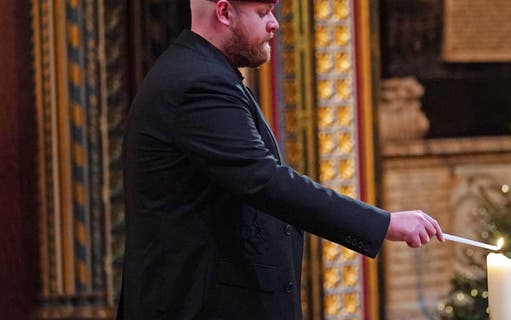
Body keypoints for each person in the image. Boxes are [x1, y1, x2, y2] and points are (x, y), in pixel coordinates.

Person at [117, 0, 444, 319]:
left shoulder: (205, 73)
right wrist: (384, 223)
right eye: (263, 12)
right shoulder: (198, 83)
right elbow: (265, 180)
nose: (274, 23)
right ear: (224, 12)